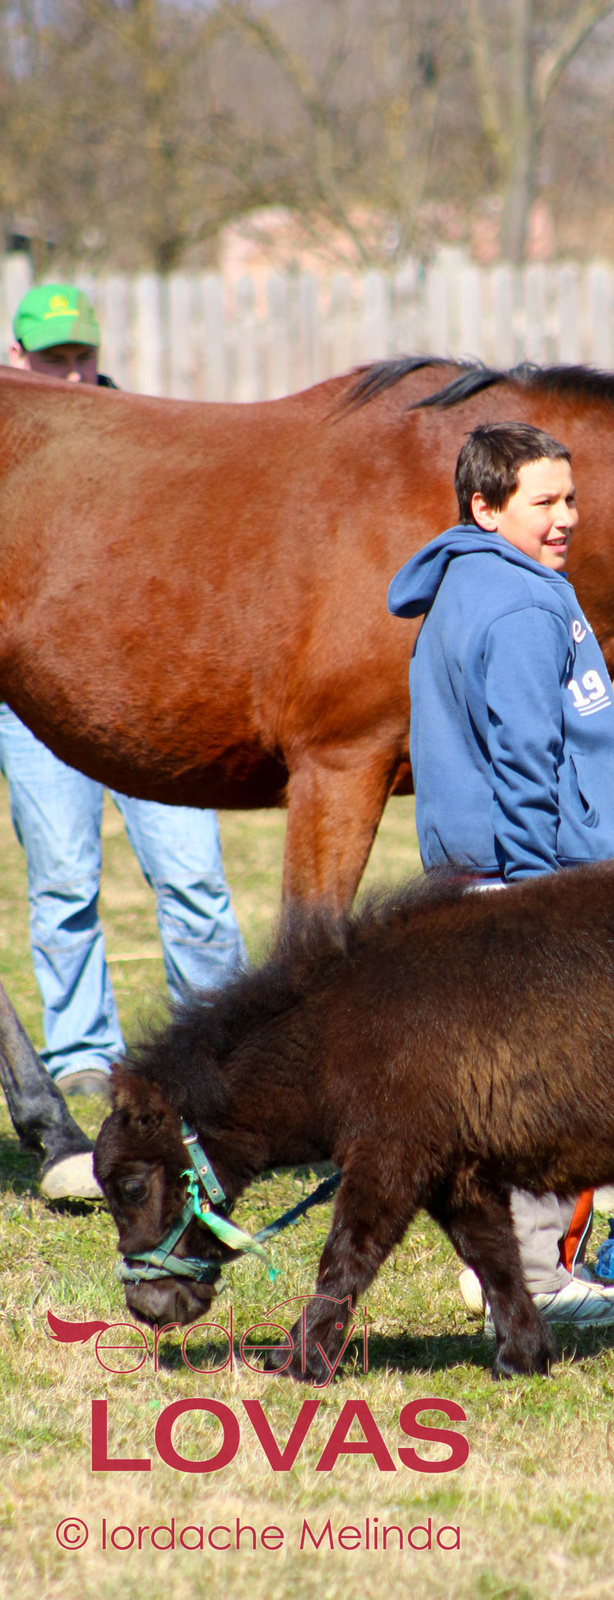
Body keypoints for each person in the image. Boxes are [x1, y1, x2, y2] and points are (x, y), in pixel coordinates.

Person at [388, 421, 614, 1328]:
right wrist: (545, 896)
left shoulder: (466, 580)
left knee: (503, 1084)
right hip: (531, 876)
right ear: (485, 508)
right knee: (548, 1084)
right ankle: (533, 1282)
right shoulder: (526, 609)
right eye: (544, 502)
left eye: (571, 498)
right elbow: (527, 761)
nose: (566, 517)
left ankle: (497, 1265)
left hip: (472, 874)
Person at [2, 283, 246, 1099]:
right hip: (36, 703)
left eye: (82, 358)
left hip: (156, 697)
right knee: (64, 884)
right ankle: (80, 1056)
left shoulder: (146, 443)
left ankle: (222, 1047)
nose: (69, 377)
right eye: (51, 359)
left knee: (194, 883)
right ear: (16, 358)